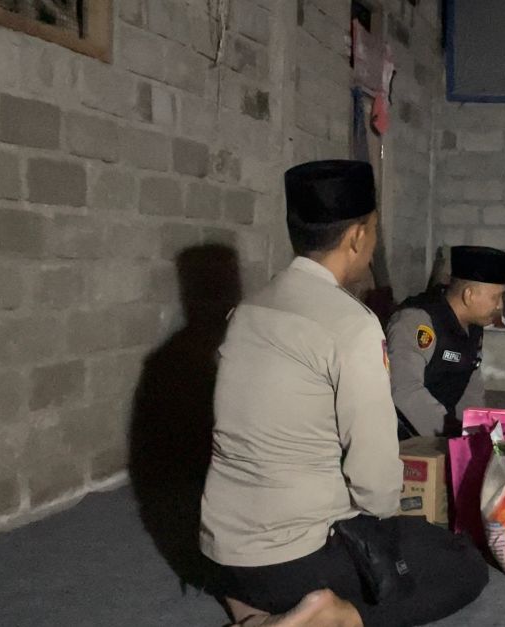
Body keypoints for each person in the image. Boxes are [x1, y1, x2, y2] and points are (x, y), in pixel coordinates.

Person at [200, 160, 488, 627]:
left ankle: (256, 614)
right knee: (461, 563)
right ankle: (333, 617)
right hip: (296, 559)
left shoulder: (248, 310)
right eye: (373, 231)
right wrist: (391, 521)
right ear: (357, 237)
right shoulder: (351, 324)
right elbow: (375, 482)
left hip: (222, 555)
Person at [387, 246, 505, 438]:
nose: (500, 306)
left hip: (436, 434)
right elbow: (405, 390)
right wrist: (452, 432)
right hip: (399, 436)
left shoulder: (473, 327)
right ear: (469, 295)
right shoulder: (417, 321)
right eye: (495, 297)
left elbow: (470, 386)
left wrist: (475, 433)